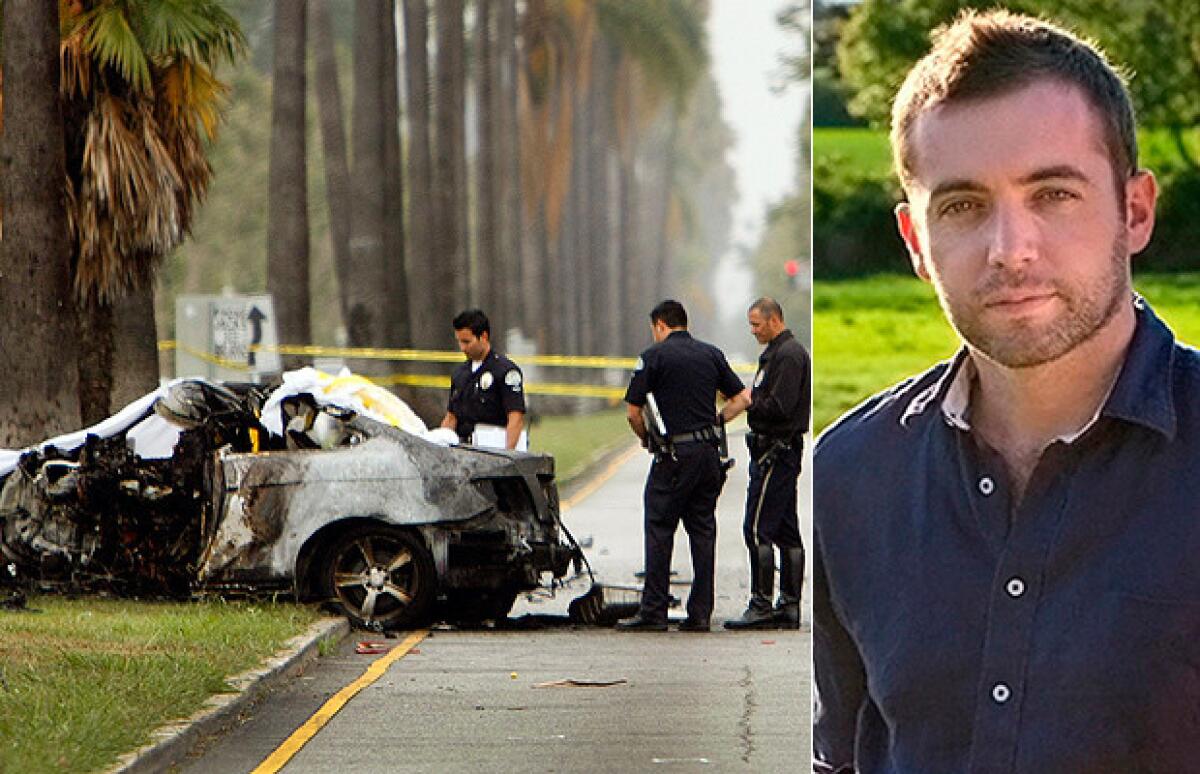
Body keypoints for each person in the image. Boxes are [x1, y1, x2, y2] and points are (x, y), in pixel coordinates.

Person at [814, 10, 1200, 772]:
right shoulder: (848, 475)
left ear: (1135, 210)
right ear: (917, 244)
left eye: (1053, 194)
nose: (1009, 249)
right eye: (962, 206)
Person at [617, 300, 750, 632]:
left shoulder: (653, 357)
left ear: (661, 325)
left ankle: (654, 612)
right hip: (708, 455)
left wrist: (647, 439)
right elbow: (742, 398)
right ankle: (701, 613)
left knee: (660, 528)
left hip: (674, 456)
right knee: (703, 530)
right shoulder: (711, 354)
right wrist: (716, 422)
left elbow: (633, 412)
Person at [724, 298, 810, 631]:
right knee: (786, 530)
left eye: (756, 324)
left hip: (778, 451)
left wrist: (749, 402)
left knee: (757, 528)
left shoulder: (788, 356)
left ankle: (761, 603)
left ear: (774, 320)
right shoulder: (775, 354)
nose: (753, 331)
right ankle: (788, 605)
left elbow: (780, 406)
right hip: (772, 451)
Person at [440, 309, 526, 450]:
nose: (462, 348)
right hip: (462, 451)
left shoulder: (505, 371)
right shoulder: (459, 373)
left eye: (467, 342)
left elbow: (515, 418)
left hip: (493, 449)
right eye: (459, 342)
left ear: (483, 336)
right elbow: (451, 418)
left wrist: (507, 456)